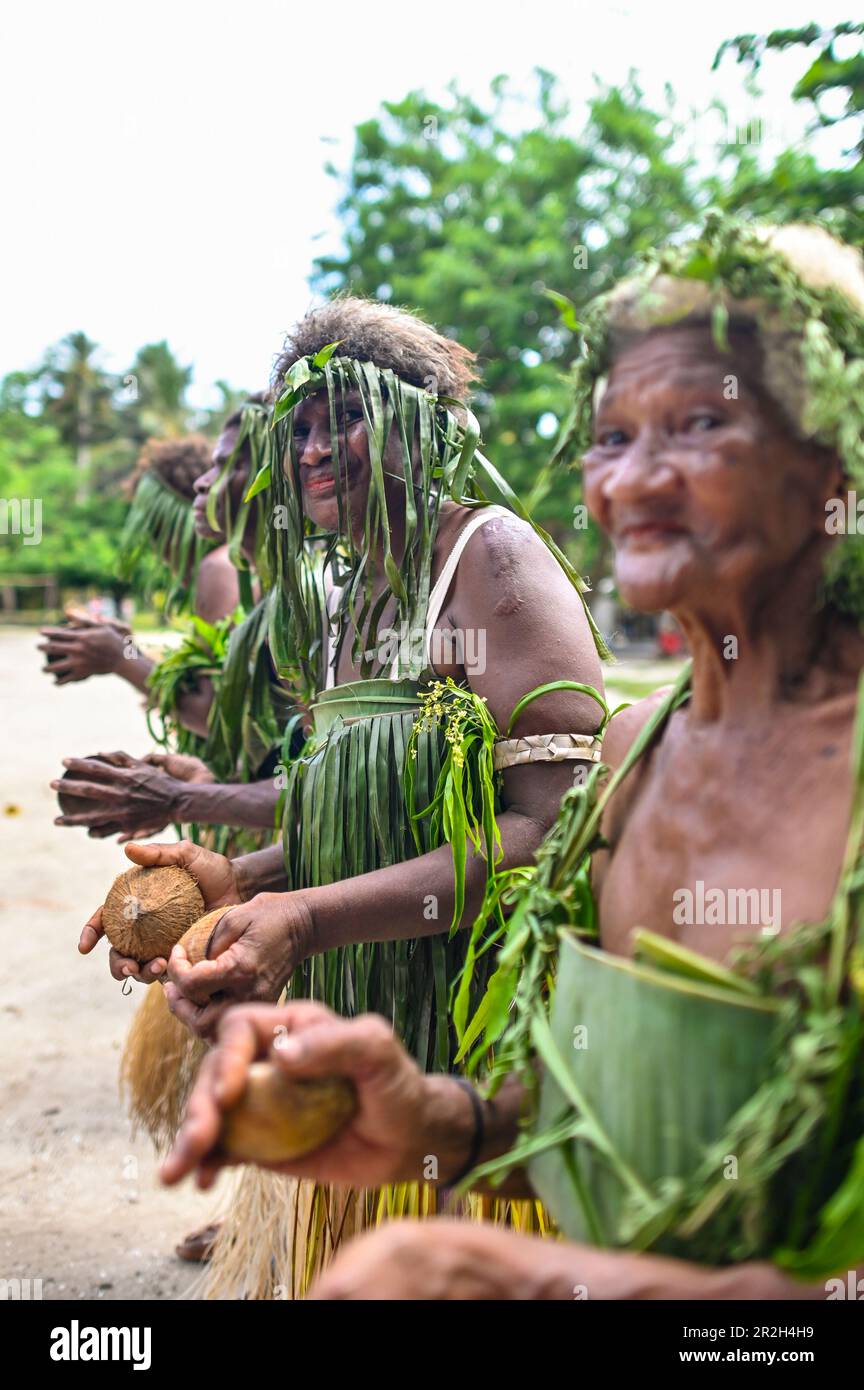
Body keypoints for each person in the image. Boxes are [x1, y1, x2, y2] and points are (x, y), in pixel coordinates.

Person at [163, 219, 864, 1298]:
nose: (633, 480)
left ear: (837, 452)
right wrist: (434, 1114)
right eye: (613, 436)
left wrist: (525, 1277)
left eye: (702, 424)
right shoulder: (638, 762)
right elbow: (584, 1105)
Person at [81, 295, 608, 1296]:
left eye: (347, 414)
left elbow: (548, 827)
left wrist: (309, 916)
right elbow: (345, 811)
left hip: (464, 1038)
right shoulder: (351, 597)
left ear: (428, 421)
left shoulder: (486, 556)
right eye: (303, 425)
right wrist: (234, 876)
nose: (318, 447)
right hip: (362, 1017)